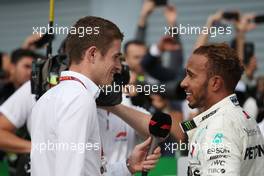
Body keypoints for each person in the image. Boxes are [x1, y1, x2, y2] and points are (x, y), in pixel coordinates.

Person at [29, 16, 160, 176]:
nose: (119, 67)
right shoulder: (80, 98)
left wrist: (127, 166)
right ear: (92, 54)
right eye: (115, 57)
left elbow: (87, 171)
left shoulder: (46, 98)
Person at [179, 43, 264, 175]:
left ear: (215, 83)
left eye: (191, 75)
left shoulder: (220, 126)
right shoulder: (242, 115)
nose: (183, 83)